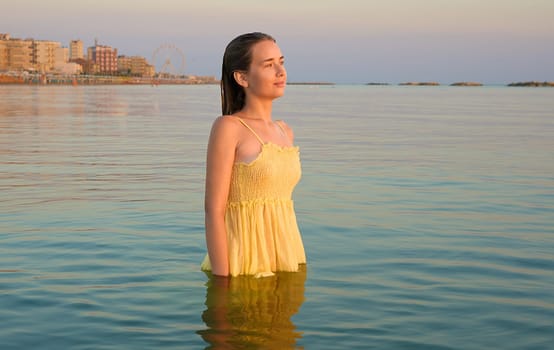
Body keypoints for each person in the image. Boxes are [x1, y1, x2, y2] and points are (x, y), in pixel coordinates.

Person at [201, 32, 306, 277]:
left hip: (287, 257)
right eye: (268, 65)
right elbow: (213, 211)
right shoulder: (229, 127)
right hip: (243, 261)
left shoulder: (285, 131)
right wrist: (222, 282)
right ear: (242, 77)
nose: (281, 71)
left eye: (281, 62)